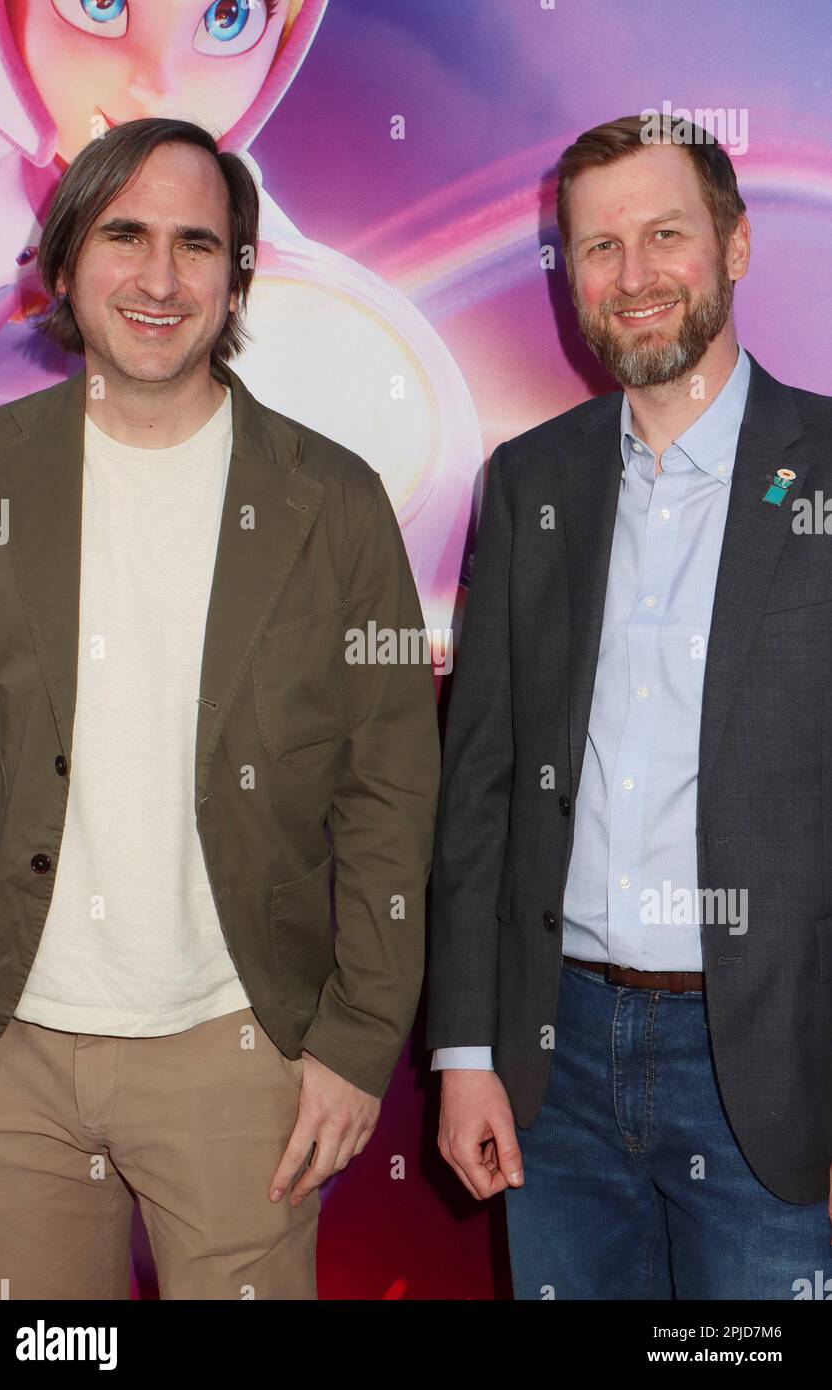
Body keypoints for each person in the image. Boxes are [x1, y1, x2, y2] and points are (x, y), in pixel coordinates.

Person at [0, 115, 440, 1300]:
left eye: (196, 243)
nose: (159, 277)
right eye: (124, 234)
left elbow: (391, 786)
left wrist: (355, 1041)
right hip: (2, 1051)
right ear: (65, 262)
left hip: (241, 1049)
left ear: (236, 277)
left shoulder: (329, 501)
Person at [427, 113, 832, 1300]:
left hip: (772, 1066)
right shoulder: (528, 481)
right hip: (553, 1068)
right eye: (596, 248)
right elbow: (478, 789)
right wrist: (463, 1050)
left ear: (737, 246)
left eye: (664, 234)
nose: (632, 275)